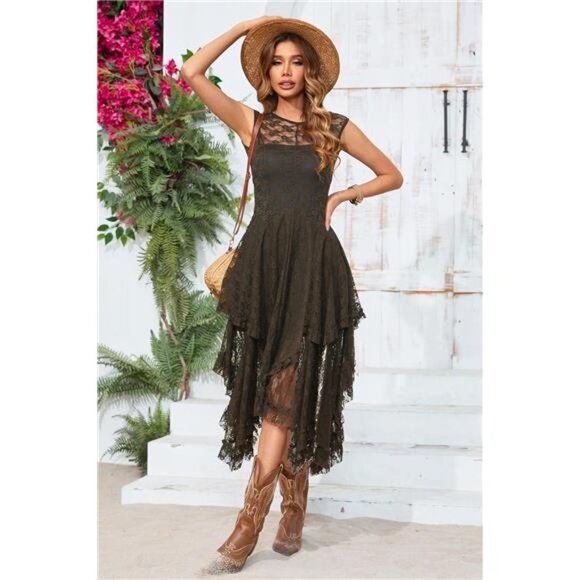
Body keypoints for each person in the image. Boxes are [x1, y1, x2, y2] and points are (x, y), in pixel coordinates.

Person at [182, 16, 404, 574]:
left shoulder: (334, 127)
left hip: (313, 270)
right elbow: (192, 72)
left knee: (285, 390)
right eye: (277, 61)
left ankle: (246, 528)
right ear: (266, 71)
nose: (286, 71)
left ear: (310, 72)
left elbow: (391, 174)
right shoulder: (252, 123)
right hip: (264, 269)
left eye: (296, 62)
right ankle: (294, 507)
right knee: (275, 390)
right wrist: (245, 27)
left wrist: (343, 196)